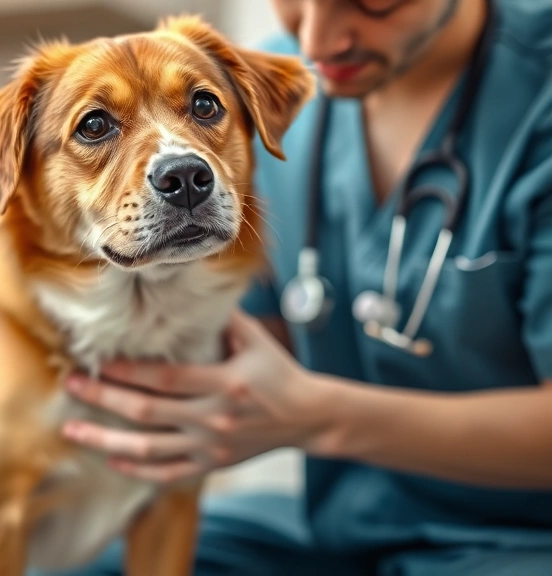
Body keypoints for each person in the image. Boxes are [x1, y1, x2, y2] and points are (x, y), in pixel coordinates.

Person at [44, 0, 552, 574]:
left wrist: (317, 416)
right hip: (338, 529)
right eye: (292, 6)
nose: (317, 43)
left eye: (373, 3)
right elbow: (256, 327)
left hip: (524, 541)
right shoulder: (250, 86)